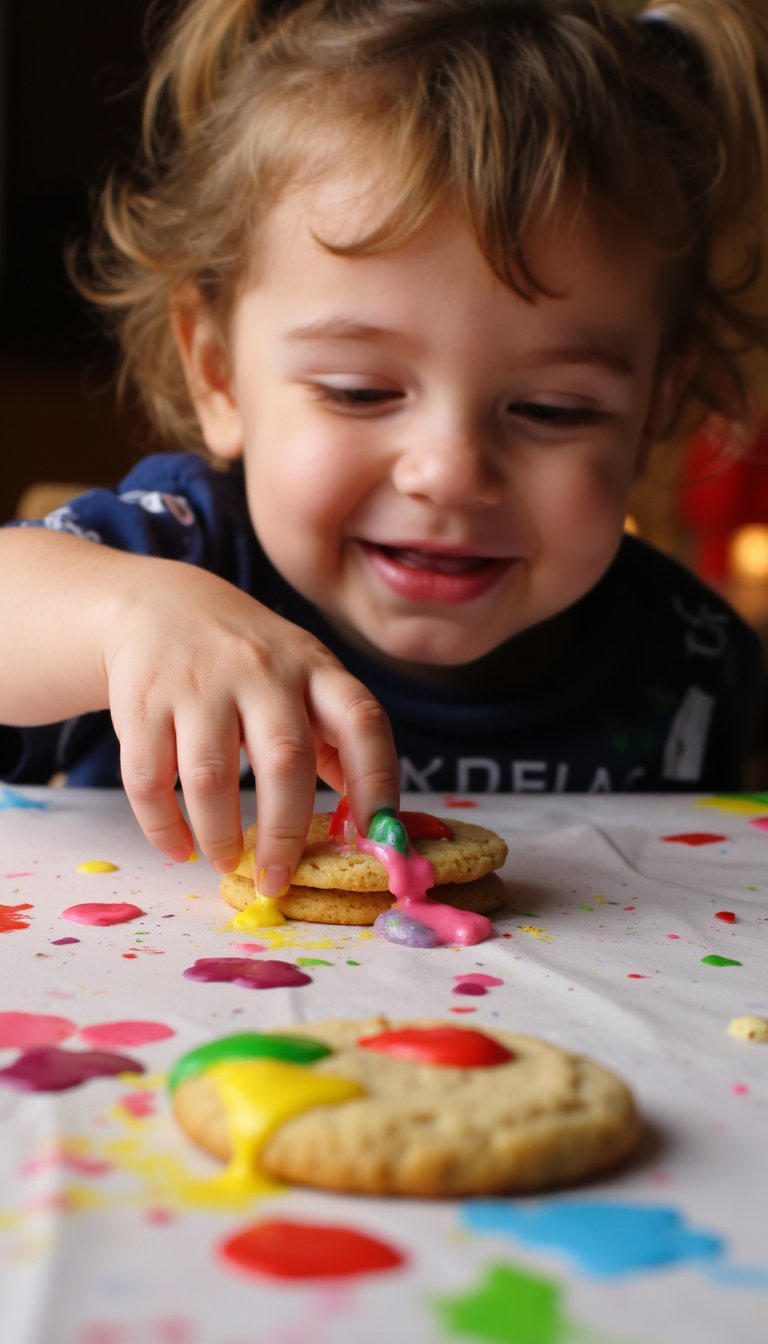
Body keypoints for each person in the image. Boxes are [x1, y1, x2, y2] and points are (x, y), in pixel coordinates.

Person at [1, 0, 767, 896]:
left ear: (654, 407)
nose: (448, 472)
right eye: (361, 392)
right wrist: (124, 621)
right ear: (217, 373)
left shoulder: (692, 656)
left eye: (555, 408)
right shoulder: (179, 547)